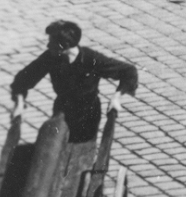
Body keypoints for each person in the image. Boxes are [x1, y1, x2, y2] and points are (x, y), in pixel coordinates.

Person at [9, 20, 138, 142]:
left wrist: (117, 97)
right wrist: (19, 103)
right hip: (62, 112)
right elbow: (22, 79)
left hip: (87, 116)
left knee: (79, 151)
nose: (48, 46)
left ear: (63, 46)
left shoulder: (91, 58)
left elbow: (128, 71)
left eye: (51, 42)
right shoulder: (51, 57)